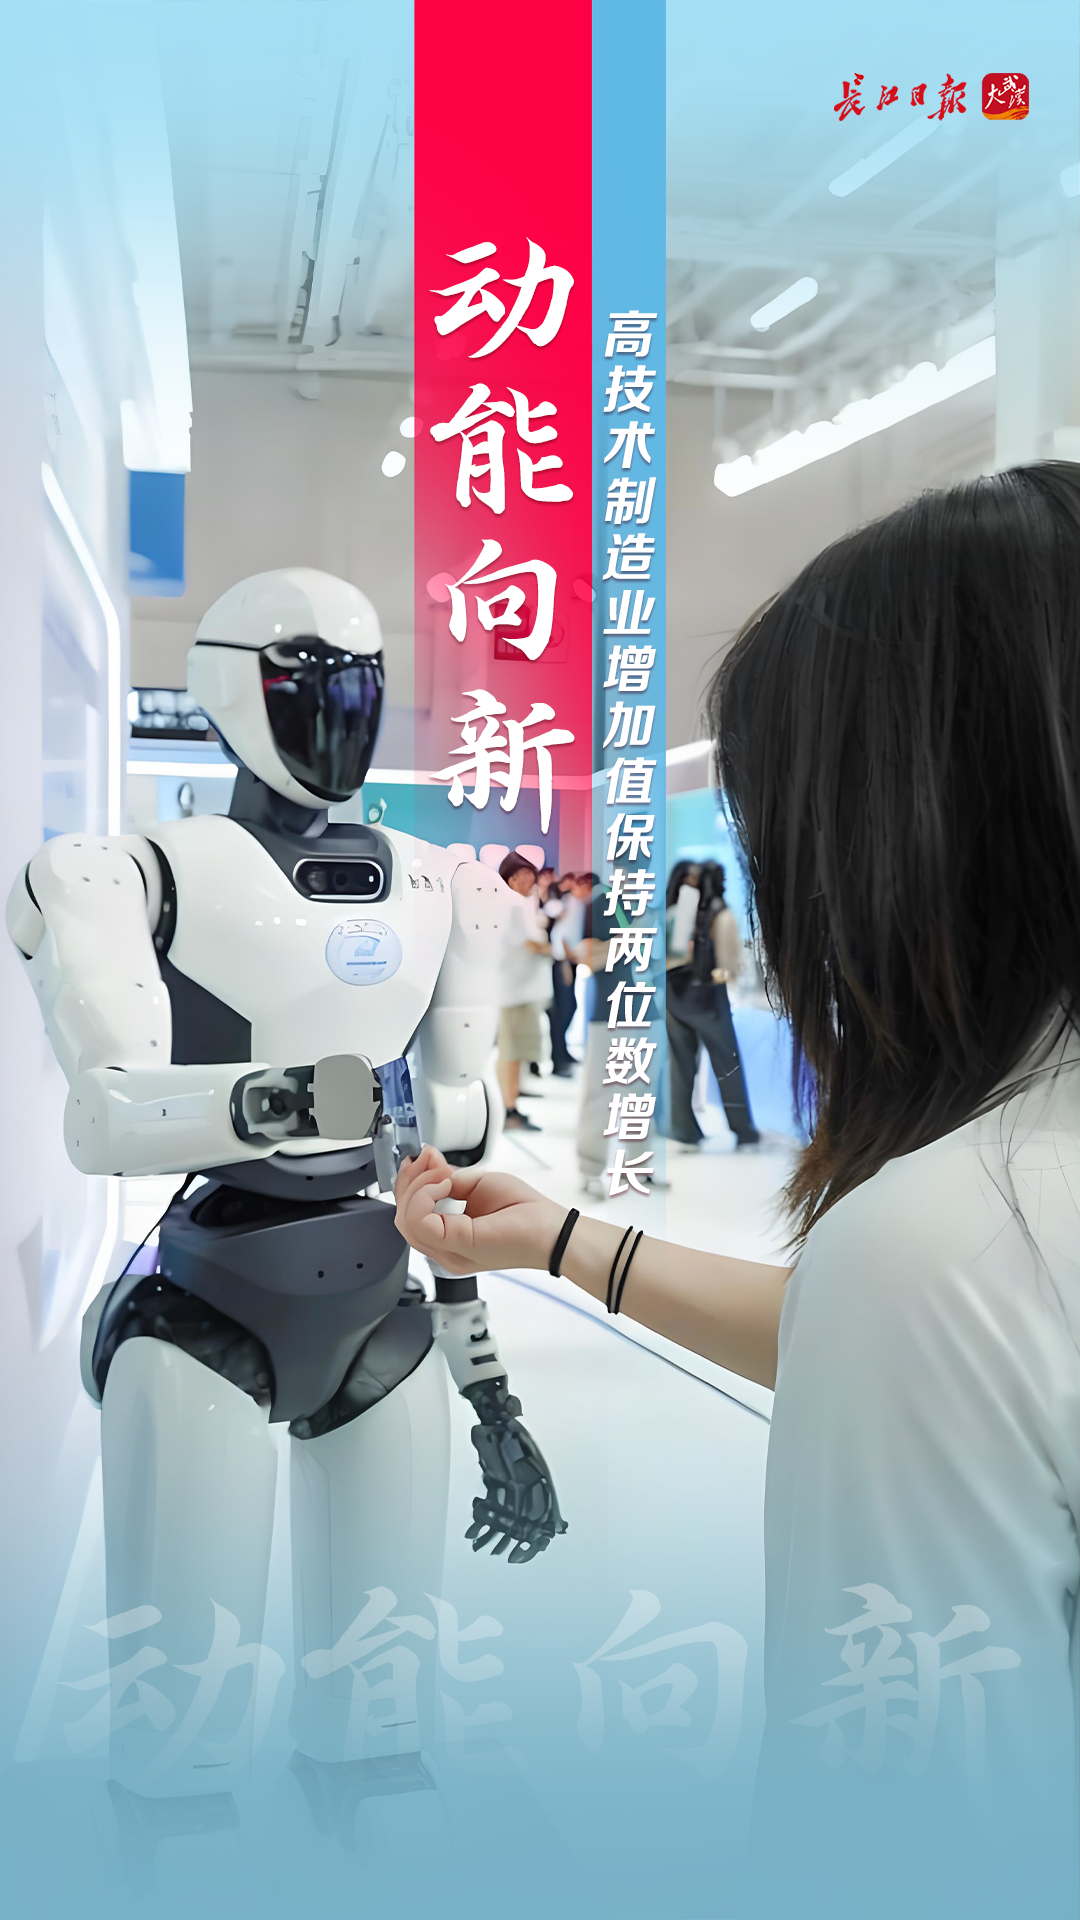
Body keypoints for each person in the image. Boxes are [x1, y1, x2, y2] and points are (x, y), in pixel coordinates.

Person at [395, 465, 1080, 1919]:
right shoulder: (966, 1252)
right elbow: (936, 1353)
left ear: (905, 840)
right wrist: (569, 1243)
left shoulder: (951, 1243)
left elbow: (910, 1847)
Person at [665, 858, 759, 1148]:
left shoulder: (669, 911)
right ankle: (743, 1130)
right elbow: (729, 964)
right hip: (708, 1000)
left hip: (673, 995)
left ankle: (683, 1130)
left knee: (680, 1066)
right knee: (727, 1064)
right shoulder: (720, 913)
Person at [495, 852, 552, 1131]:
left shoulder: (515, 903)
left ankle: (511, 1104)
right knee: (510, 1053)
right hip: (513, 993)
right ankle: (507, 1110)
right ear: (513, 878)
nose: (533, 882)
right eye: (528, 877)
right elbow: (531, 943)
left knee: (515, 1053)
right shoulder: (513, 905)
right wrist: (559, 950)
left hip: (518, 992)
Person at [547, 871, 594, 1077]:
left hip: (571, 961)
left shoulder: (580, 905)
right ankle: (558, 1061)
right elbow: (561, 935)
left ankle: (563, 1053)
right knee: (564, 1009)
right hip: (563, 961)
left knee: (569, 1007)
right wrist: (567, 958)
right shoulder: (569, 903)